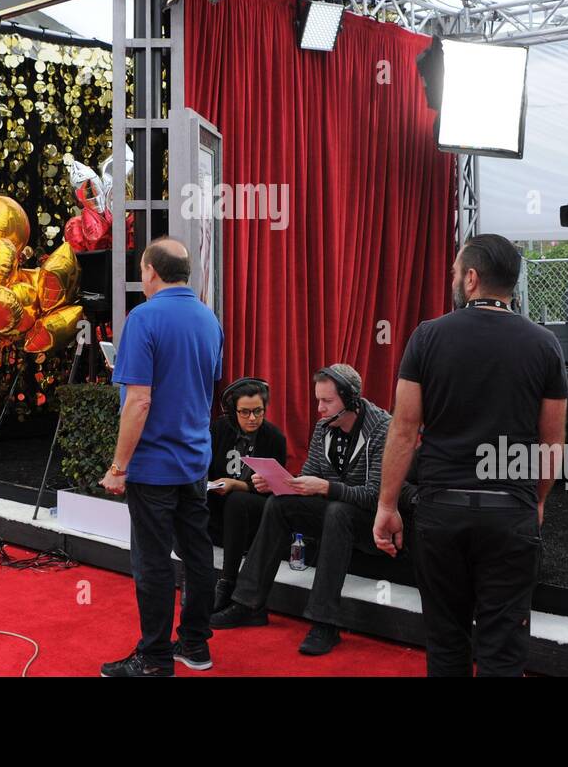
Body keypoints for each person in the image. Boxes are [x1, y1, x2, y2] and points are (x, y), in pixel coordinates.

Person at [374, 234, 568, 677]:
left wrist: (387, 505)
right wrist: (535, 502)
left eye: (456, 272)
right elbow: (553, 443)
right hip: (509, 514)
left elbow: (403, 430)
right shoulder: (544, 344)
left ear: (473, 278)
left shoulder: (427, 336)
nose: (454, 280)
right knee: (503, 648)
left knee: (446, 642)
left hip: (442, 512)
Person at [98, 237, 223, 677]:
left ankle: (153, 658)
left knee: (151, 560)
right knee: (197, 554)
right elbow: (204, 387)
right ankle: (195, 646)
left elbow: (139, 402)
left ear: (150, 271)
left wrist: (118, 467)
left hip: (153, 465)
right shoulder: (209, 319)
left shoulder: (143, 318)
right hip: (194, 460)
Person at [211, 364, 389, 657]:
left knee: (338, 512)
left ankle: (324, 622)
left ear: (351, 400)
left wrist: (325, 488)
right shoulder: (323, 428)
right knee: (281, 504)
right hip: (333, 512)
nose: (319, 408)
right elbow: (308, 477)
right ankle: (248, 604)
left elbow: (376, 495)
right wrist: (280, 484)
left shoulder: (383, 429)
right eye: (318, 400)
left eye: (327, 401)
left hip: (369, 520)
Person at [207, 377, 287, 612]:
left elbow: (277, 488)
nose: (252, 418)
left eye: (258, 411)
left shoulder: (274, 437)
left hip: (255, 510)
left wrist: (236, 484)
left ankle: (226, 582)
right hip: (216, 503)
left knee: (237, 500)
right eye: (245, 412)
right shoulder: (218, 430)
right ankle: (193, 580)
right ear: (233, 411)